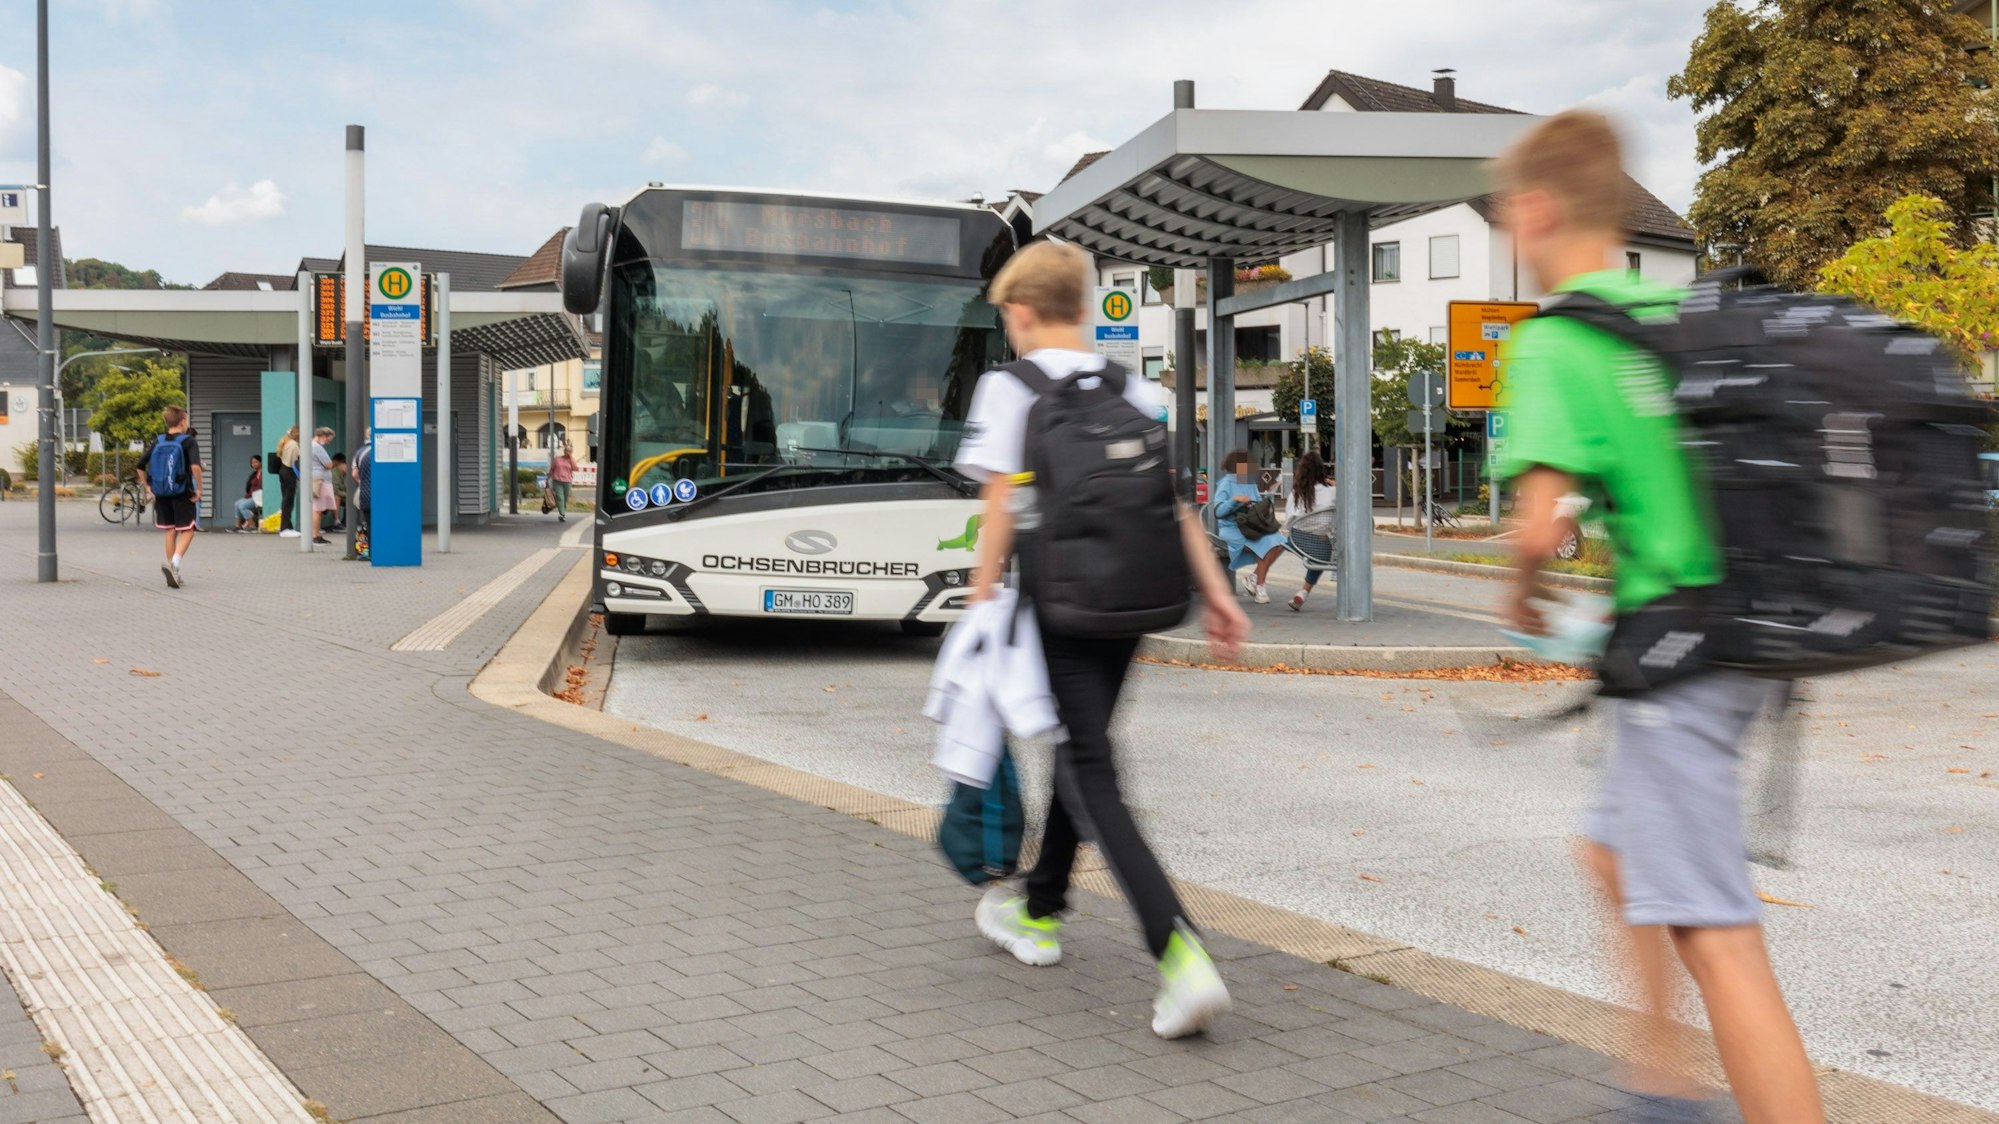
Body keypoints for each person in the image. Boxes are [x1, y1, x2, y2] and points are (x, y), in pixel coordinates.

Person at [1497, 110, 1822, 1124]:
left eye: (1509, 214)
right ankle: (1662, 1087)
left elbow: (1537, 526)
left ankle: (1701, 1099)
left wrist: (1522, 590)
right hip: (1743, 635)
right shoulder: (1674, 310)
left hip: (1678, 655)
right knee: (1613, 852)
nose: (1511, 234)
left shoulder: (1555, 339)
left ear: (1541, 208)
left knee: (1718, 937)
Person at [955, 241, 1249, 1041]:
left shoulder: (1008, 389)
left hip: (1058, 606)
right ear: (1083, 309)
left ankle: (1178, 952)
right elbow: (1178, 508)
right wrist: (1218, 594)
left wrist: (980, 604)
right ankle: (1041, 911)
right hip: (1135, 602)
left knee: (1091, 771)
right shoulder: (1138, 389)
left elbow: (997, 511)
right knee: (1083, 755)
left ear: (1018, 313)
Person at [136, 405, 203, 589]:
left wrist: (148, 486)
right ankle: (175, 563)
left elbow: (140, 464)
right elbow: (196, 467)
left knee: (170, 531)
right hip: (182, 492)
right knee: (188, 529)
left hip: (161, 493)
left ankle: (174, 571)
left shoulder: (158, 441)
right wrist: (200, 489)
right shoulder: (188, 441)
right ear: (182, 422)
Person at [1211, 449, 1287, 604]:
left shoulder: (1249, 483)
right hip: (1233, 529)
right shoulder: (1226, 484)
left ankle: (1253, 578)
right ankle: (1260, 586)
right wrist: (1235, 500)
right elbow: (1218, 511)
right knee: (1267, 544)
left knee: (1280, 543)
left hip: (1251, 526)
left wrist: (1268, 498)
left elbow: (1257, 506)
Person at [1285, 451, 1336, 611]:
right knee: (1319, 558)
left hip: (1296, 541)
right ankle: (1304, 592)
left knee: (1275, 541)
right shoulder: (1332, 492)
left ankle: (1258, 580)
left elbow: (1288, 522)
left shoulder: (1296, 494)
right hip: (1321, 545)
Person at [309, 427, 337, 545]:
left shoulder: (309, 445)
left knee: (317, 508)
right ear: (323, 436)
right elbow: (328, 464)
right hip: (320, 480)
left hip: (314, 478)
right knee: (318, 509)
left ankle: (316, 534)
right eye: (328, 440)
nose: (327, 442)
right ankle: (315, 536)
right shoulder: (317, 447)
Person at [275, 425, 301, 538]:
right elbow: (295, 461)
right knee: (288, 501)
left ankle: (288, 527)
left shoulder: (285, 442)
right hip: (290, 472)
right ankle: (285, 528)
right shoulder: (294, 445)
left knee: (286, 499)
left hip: (283, 471)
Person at [233, 455, 262, 532]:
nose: (254, 464)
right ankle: (238, 525)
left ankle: (252, 526)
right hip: (252, 496)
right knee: (237, 503)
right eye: (252, 463)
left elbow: (259, 488)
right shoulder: (255, 474)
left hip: (259, 497)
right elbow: (251, 489)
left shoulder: (263, 473)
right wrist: (247, 496)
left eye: (256, 462)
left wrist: (248, 496)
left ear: (261, 462)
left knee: (242, 506)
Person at [548, 442, 576, 522]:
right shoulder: (557, 459)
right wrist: (548, 478)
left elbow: (575, 468)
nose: (568, 452)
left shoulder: (572, 459)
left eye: (569, 451)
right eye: (566, 450)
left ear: (571, 452)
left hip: (567, 481)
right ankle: (562, 513)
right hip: (557, 480)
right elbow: (552, 469)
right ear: (564, 451)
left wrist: (570, 458)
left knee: (565, 498)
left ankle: (562, 511)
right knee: (560, 497)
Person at [329, 453, 350, 532]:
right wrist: (348, 495)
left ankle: (345, 522)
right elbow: (335, 490)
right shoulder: (335, 473)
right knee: (337, 497)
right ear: (341, 464)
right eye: (346, 465)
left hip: (341, 495)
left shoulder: (343, 474)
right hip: (331, 496)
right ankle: (337, 523)